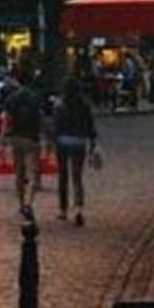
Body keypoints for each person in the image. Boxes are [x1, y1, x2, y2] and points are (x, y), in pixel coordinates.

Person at [0, 66, 45, 214]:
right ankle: (29, 203)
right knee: (32, 173)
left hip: (16, 136)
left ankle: (20, 202)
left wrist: (2, 140)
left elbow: (7, 120)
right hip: (32, 137)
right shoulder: (36, 97)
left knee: (19, 172)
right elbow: (41, 118)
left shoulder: (12, 98)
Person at [53, 74, 97, 226]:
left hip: (63, 141)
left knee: (63, 176)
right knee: (77, 177)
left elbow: (56, 126)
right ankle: (79, 208)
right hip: (79, 142)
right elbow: (90, 126)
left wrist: (53, 140)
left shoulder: (59, 106)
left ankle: (63, 209)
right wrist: (92, 143)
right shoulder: (84, 105)